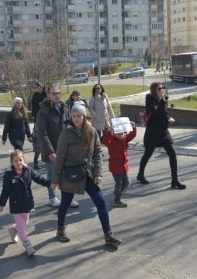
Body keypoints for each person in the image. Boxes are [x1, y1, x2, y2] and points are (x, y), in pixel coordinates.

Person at [51, 105, 122, 248]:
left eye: (79, 115)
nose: (76, 118)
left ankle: (108, 235)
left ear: (84, 117)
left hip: (88, 174)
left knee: (101, 201)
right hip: (70, 174)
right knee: (65, 203)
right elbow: (60, 158)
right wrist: (55, 180)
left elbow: (97, 153)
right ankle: (60, 230)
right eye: (74, 116)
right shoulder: (66, 134)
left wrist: (98, 174)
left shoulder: (92, 131)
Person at [0, 150, 51, 256]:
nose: (19, 163)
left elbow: (39, 178)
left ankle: (13, 230)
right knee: (22, 227)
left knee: (24, 223)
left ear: (24, 160)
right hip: (16, 204)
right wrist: (1, 204)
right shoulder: (9, 174)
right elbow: (5, 191)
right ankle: (28, 246)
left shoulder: (28, 170)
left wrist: (50, 183)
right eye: (16, 161)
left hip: (27, 202)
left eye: (20, 160)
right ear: (12, 162)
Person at [36, 85, 79, 208]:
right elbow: (42, 135)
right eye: (54, 93)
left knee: (67, 174)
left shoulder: (64, 109)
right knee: (52, 174)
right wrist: (50, 152)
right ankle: (52, 197)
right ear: (48, 95)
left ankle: (69, 198)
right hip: (51, 150)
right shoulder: (43, 112)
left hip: (65, 149)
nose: (57, 95)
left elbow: (70, 126)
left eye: (58, 93)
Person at [137, 82, 186, 189]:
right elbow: (154, 112)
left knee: (172, 154)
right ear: (155, 90)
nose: (162, 89)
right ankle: (140, 174)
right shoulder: (149, 98)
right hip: (152, 132)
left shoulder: (164, 98)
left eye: (163, 88)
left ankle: (175, 180)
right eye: (160, 88)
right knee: (147, 154)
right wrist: (162, 101)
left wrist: (168, 118)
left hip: (164, 132)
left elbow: (163, 113)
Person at [102, 121, 137, 208]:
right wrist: (109, 131)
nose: (121, 135)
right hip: (115, 167)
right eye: (118, 133)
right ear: (114, 133)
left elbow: (132, 135)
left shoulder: (124, 139)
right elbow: (105, 140)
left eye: (122, 134)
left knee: (127, 183)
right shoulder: (111, 141)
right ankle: (117, 201)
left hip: (124, 166)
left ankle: (117, 193)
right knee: (119, 184)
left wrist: (133, 127)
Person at [30, 82, 46, 169]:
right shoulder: (35, 95)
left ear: (40, 87)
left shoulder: (46, 94)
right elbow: (33, 104)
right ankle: (36, 162)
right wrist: (33, 114)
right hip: (37, 116)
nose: (35, 89)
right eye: (35, 87)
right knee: (36, 136)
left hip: (44, 117)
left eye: (37, 87)